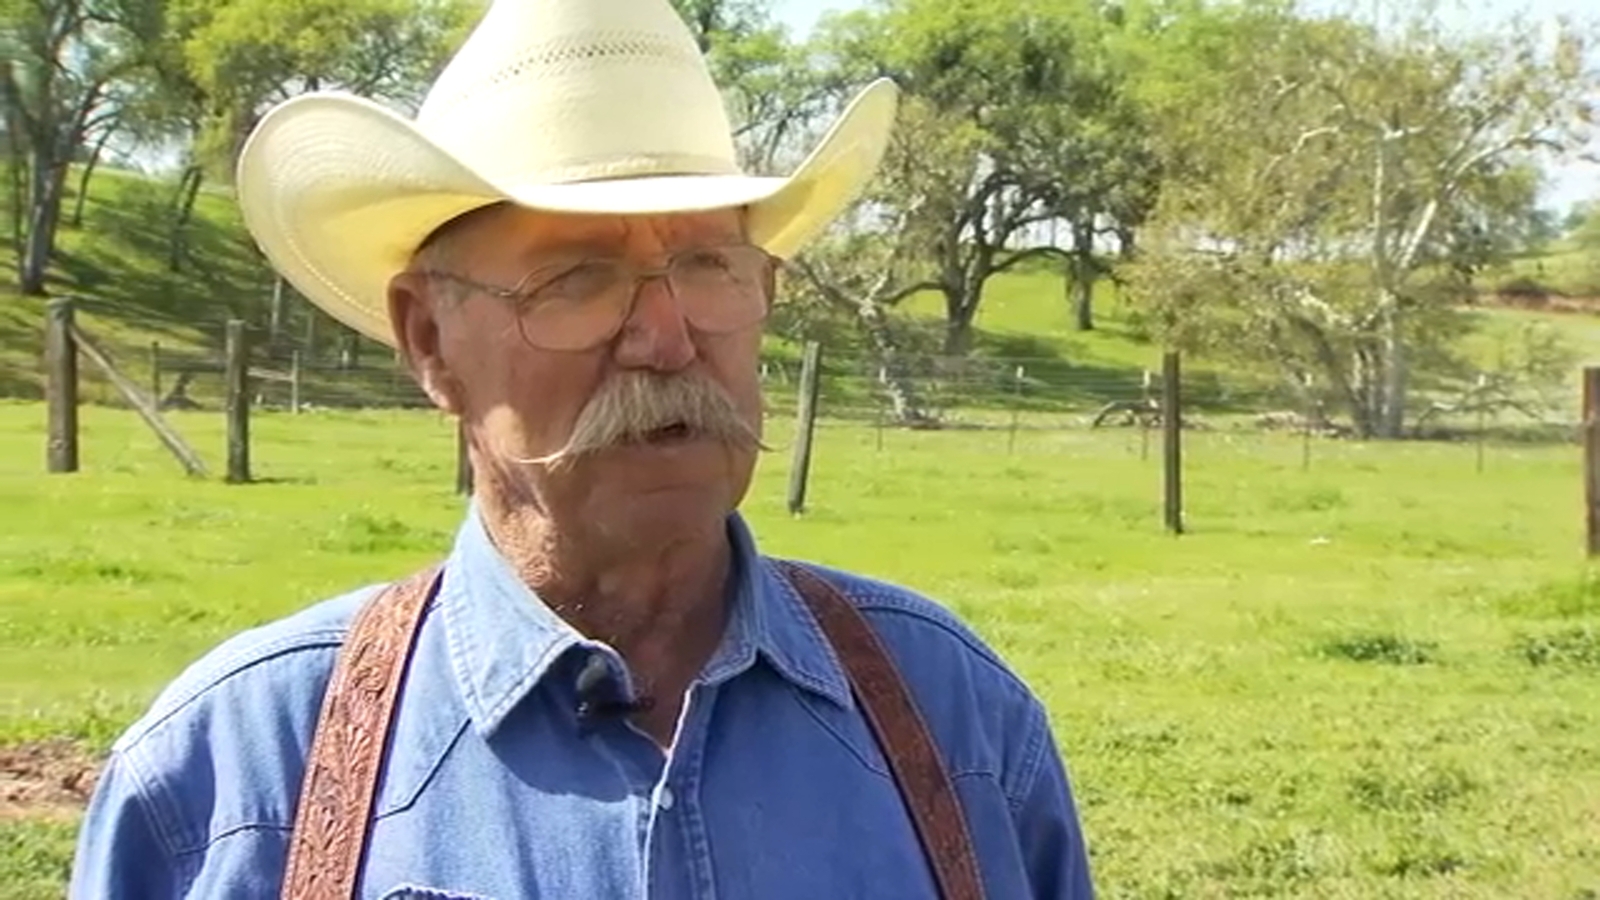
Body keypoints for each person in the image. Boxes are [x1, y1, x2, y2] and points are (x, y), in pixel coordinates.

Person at [68, 0, 1095, 897]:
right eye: (576, 278)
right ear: (429, 341)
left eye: (705, 263)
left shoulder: (956, 724)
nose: (667, 337)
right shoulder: (234, 778)